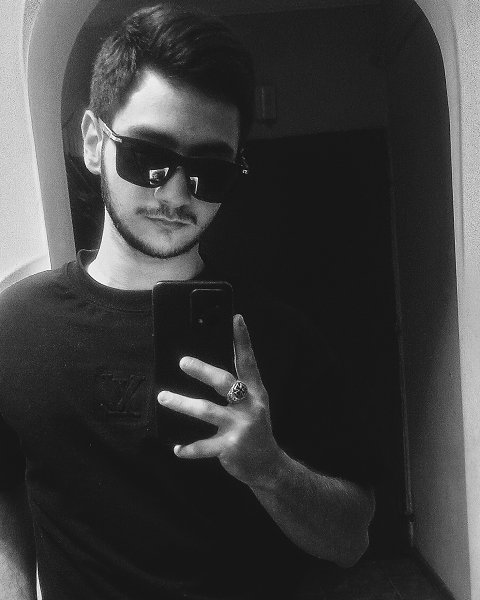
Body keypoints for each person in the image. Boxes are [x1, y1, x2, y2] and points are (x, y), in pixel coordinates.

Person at [0, 4, 381, 599]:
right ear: (94, 142)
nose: (176, 193)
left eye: (209, 169)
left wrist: (270, 469)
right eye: (148, 156)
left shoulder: (277, 336)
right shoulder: (16, 328)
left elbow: (351, 539)